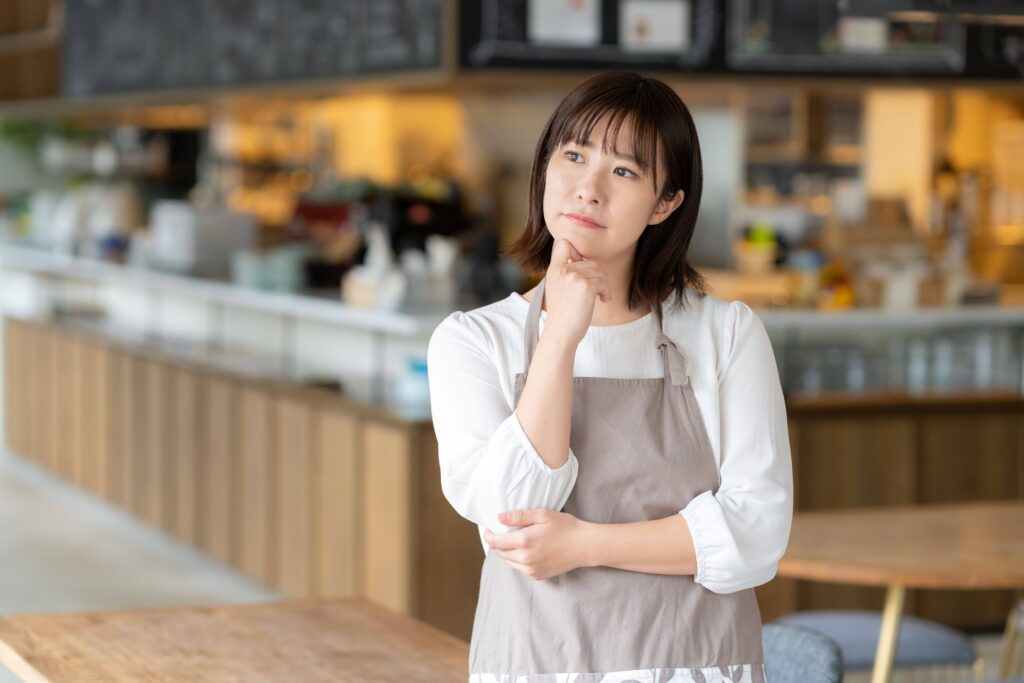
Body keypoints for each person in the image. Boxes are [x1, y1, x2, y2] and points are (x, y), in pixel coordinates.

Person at [427, 70, 792, 683]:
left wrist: (582, 544)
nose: (588, 189)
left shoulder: (726, 334)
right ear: (545, 168)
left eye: (623, 171)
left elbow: (757, 533)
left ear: (665, 203)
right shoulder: (473, 342)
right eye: (573, 156)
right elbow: (511, 516)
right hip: (539, 668)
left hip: (699, 668)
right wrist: (561, 338)